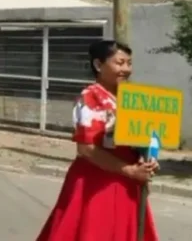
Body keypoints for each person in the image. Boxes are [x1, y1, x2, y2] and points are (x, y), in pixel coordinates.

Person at [37, 40, 159, 241]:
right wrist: (128, 170)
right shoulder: (90, 98)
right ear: (98, 65)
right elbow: (86, 149)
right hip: (95, 182)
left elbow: (141, 138)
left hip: (128, 181)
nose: (126, 69)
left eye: (129, 63)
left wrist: (147, 159)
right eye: (119, 63)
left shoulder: (131, 97)